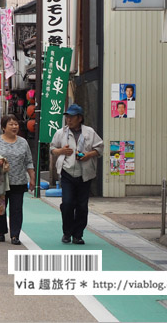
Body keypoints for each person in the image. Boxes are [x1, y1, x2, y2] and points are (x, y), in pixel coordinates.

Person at [50, 104, 103, 245]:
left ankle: (78, 235)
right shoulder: (61, 133)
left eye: (72, 117)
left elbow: (100, 148)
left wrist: (88, 155)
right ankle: (67, 233)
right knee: (67, 204)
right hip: (67, 173)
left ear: (80, 118)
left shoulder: (89, 132)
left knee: (82, 206)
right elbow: (52, 149)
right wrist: (61, 151)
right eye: (67, 117)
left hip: (85, 174)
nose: (68, 119)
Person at [0, 115, 36, 245]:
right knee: (0, 208)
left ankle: (15, 235)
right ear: (3, 127)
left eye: (16, 124)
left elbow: (28, 161)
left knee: (17, 209)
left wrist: (32, 178)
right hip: (0, 181)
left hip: (18, 181)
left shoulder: (23, 142)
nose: (14, 127)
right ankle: (1, 232)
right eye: (11, 124)